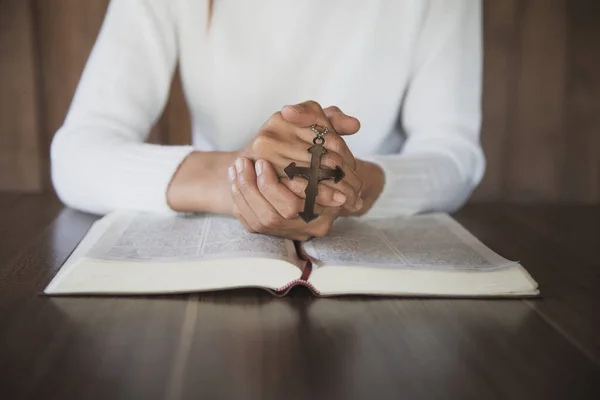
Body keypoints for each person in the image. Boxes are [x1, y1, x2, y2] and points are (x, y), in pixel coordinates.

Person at [50, 0, 484, 241]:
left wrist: (348, 187)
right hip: (212, 238)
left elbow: (453, 153)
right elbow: (77, 153)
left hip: (363, 233)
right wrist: (240, 182)